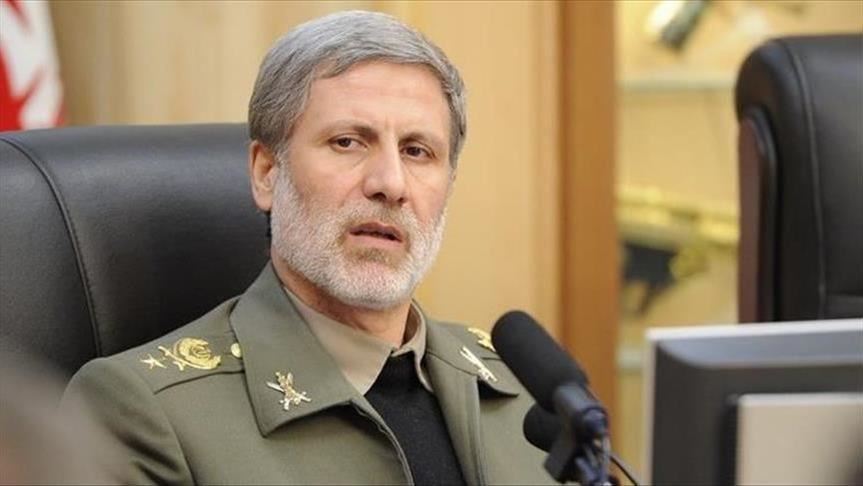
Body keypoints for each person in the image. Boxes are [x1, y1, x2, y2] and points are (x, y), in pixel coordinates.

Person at [62, 10, 552, 485]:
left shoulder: (525, 386)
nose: (390, 183)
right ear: (266, 173)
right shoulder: (145, 411)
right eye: (348, 142)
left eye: (416, 151)